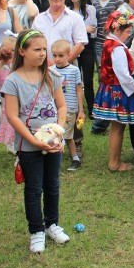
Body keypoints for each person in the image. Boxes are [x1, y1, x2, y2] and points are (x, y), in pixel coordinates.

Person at [2, 29, 69, 254]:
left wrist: (57, 132)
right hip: (29, 145)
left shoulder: (51, 76)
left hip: (53, 143)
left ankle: (52, 224)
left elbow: (61, 106)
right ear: (22, 51)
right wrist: (34, 141)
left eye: (44, 49)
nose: (42, 54)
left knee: (52, 184)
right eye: (37, 49)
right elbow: (12, 115)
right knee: (33, 188)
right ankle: (37, 230)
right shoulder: (13, 81)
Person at [93, 11, 134, 172]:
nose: (128, 35)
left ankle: (114, 161)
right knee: (118, 127)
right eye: (127, 32)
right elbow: (123, 74)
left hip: (111, 87)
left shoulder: (109, 43)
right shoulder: (117, 48)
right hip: (118, 90)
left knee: (117, 127)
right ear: (116, 30)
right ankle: (114, 163)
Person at [91, 0, 124, 135]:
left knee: (113, 79)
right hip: (99, 45)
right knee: (103, 80)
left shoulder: (118, 2)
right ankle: (101, 119)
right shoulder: (94, 2)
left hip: (114, 43)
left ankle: (104, 120)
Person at [50, 40, 84, 171]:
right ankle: (54, 159)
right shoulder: (50, 71)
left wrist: (81, 110)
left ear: (68, 55)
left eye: (60, 55)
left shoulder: (74, 70)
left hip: (69, 108)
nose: (57, 59)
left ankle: (75, 158)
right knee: (54, 133)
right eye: (54, 55)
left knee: (67, 135)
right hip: (53, 109)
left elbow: (79, 90)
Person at [67, 0, 97, 120]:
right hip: (72, 46)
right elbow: (70, 30)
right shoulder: (66, 10)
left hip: (87, 46)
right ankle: (76, 108)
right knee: (74, 79)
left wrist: (82, 29)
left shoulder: (90, 9)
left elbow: (93, 29)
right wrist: (84, 29)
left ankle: (92, 109)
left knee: (88, 79)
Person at [0, 35, 17, 155]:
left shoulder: (17, 64)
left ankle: (13, 143)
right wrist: (1, 62)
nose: (9, 53)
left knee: (14, 121)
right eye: (7, 50)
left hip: (14, 98)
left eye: (12, 51)